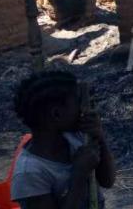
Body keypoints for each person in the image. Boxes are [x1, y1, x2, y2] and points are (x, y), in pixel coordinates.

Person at [11, 71, 116, 209]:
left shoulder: (77, 138)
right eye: (78, 104)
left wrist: (99, 135)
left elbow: (107, 181)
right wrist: (79, 174)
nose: (84, 110)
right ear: (57, 114)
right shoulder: (30, 173)